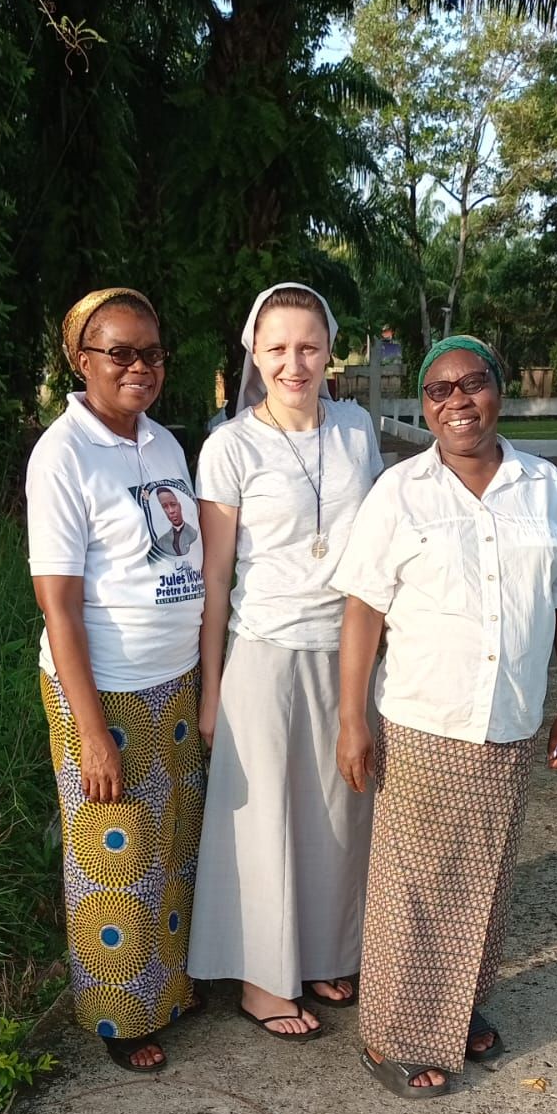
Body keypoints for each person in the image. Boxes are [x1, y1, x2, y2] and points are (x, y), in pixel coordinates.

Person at [333, 334, 557, 1097]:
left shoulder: (544, 487)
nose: (458, 399)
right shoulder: (400, 491)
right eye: (439, 389)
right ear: (425, 408)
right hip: (423, 720)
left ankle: (455, 1009)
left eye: (473, 383)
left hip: (509, 721)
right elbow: (363, 610)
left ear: (499, 391)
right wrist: (352, 717)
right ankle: (392, 1034)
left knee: (483, 879)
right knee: (413, 886)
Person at [187, 282, 383, 1040]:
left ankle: (328, 952)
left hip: (348, 649)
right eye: (277, 348)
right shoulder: (230, 445)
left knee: (339, 812)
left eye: (308, 346)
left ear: (330, 350)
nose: (293, 363)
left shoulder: (356, 430)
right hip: (265, 652)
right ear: (254, 353)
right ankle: (263, 981)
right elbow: (215, 577)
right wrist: (212, 691)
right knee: (266, 818)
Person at [26, 287, 205, 1075]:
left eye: (152, 353)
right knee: (115, 854)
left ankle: (169, 989)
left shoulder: (164, 443)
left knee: (171, 842)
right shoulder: (62, 455)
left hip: (173, 678)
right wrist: (92, 729)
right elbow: (59, 603)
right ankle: (119, 1014)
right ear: (81, 360)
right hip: (104, 688)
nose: (140, 367)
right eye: (120, 352)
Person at [156, 486, 198, 556]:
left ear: (179, 506)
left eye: (173, 504)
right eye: (165, 506)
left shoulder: (193, 533)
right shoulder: (161, 541)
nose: (171, 511)